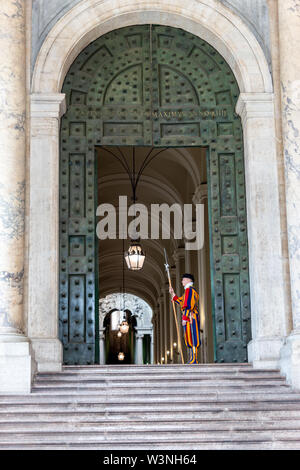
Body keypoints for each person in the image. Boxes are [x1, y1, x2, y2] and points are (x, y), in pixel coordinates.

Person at [169, 273, 201, 364]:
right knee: (188, 337)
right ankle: (192, 358)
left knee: (192, 337)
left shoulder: (189, 290)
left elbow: (187, 305)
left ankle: (194, 359)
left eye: (183, 279)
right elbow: (182, 302)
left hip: (191, 317)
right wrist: (173, 294)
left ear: (188, 280)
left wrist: (185, 317)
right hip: (190, 317)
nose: (182, 281)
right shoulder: (188, 291)